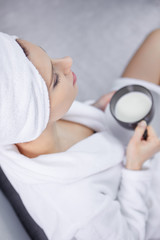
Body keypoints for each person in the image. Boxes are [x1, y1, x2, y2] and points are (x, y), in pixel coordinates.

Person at [1, 29, 160, 240]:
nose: (67, 61)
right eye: (55, 80)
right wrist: (136, 167)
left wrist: (96, 109)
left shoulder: (19, 124)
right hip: (146, 194)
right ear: (34, 115)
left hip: (119, 133)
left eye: (47, 54)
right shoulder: (78, 211)